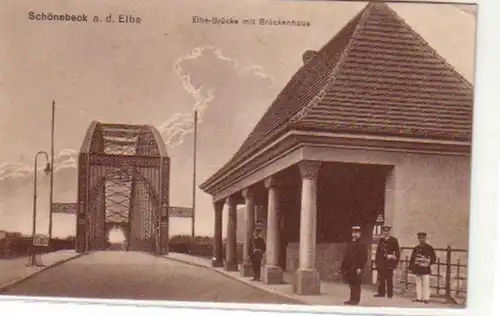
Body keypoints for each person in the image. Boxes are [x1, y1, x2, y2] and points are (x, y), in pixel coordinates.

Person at [341, 225, 368, 305]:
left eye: (357, 233)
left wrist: (360, 267)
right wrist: (343, 266)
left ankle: (356, 300)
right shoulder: (350, 243)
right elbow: (347, 255)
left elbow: (364, 257)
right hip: (349, 267)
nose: (355, 235)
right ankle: (352, 299)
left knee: (356, 284)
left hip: (357, 267)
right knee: (351, 283)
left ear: (360, 234)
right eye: (354, 233)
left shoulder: (362, 244)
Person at [408, 232, 436, 304]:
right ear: (418, 239)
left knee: (426, 283)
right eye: (420, 238)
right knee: (418, 283)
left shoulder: (429, 248)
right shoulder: (416, 248)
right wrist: (411, 268)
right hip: (418, 268)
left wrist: (428, 262)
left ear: (425, 238)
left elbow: (433, 258)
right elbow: (412, 258)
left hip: (426, 268)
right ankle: (419, 297)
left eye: (423, 238)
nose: (421, 240)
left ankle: (426, 298)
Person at [374, 225, 400, 298]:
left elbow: (397, 251)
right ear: (383, 231)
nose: (386, 232)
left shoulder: (394, 240)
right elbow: (378, 252)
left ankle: (390, 294)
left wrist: (393, 257)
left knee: (389, 279)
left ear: (389, 232)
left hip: (389, 262)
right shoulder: (381, 240)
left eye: (387, 231)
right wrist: (376, 262)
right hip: (382, 262)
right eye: (384, 231)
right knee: (381, 278)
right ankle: (381, 293)